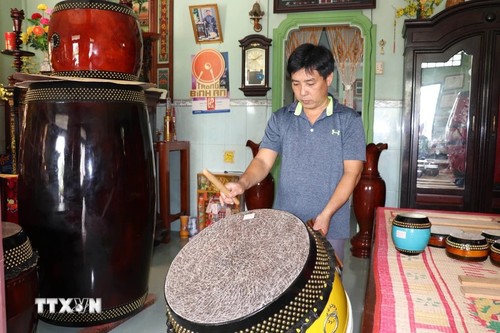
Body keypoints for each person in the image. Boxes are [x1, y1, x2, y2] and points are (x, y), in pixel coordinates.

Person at [221, 43, 366, 262]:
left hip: (330, 224)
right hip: (285, 223)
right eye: (296, 84)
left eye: (310, 83)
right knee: (286, 288)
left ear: (328, 79)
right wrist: (242, 184)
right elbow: (262, 161)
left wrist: (326, 215)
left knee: (326, 290)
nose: (302, 92)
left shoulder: (348, 120)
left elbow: (352, 173)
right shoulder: (282, 119)